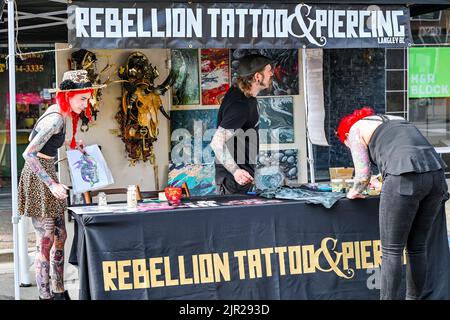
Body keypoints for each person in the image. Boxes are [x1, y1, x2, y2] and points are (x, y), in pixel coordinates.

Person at [336, 107, 448, 300]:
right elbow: (405, 150)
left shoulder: (354, 130)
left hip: (404, 179)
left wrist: (353, 192)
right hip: (437, 176)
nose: (349, 147)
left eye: (346, 145)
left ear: (345, 135)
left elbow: (362, 176)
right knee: (417, 247)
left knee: (391, 251)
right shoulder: (395, 118)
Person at [18, 70, 105, 300]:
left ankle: (59, 290)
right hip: (39, 178)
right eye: (83, 99)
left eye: (88, 98)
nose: (87, 104)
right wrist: (51, 184)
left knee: (60, 236)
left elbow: (51, 143)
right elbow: (29, 153)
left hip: (49, 173)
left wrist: (75, 146)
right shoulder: (55, 117)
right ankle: (44, 296)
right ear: (69, 96)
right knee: (45, 240)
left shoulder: (64, 115)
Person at [211, 54, 273, 194]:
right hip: (233, 183)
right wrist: (236, 171)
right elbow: (216, 143)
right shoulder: (240, 105)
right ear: (257, 77)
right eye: (268, 70)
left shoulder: (243, 95)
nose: (272, 73)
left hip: (240, 180)